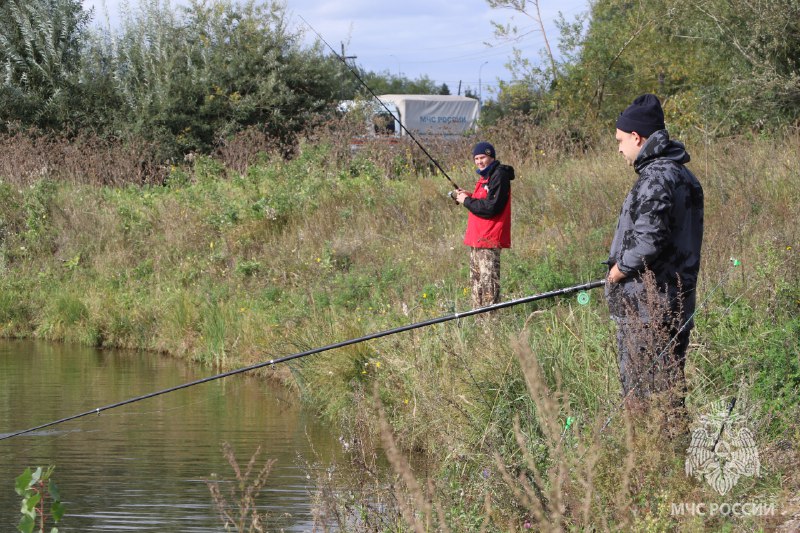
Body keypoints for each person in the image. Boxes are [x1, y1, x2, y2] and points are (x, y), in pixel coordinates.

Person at [605, 94, 704, 420]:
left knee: (645, 399)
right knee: (670, 392)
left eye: (620, 140)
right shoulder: (683, 175)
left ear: (637, 137)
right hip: (676, 303)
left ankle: (653, 463)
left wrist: (619, 270)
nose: (619, 148)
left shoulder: (656, 178)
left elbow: (649, 240)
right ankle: (677, 460)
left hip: (649, 308)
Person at [454, 142, 515, 308]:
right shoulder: (485, 177)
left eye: (483, 157)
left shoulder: (499, 175)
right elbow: (484, 201)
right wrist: (470, 196)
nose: (479, 162)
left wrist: (466, 201)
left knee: (489, 286)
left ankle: (492, 325)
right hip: (477, 240)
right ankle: (479, 323)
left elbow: (491, 208)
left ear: (491, 157)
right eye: (476, 158)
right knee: (477, 286)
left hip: (489, 240)